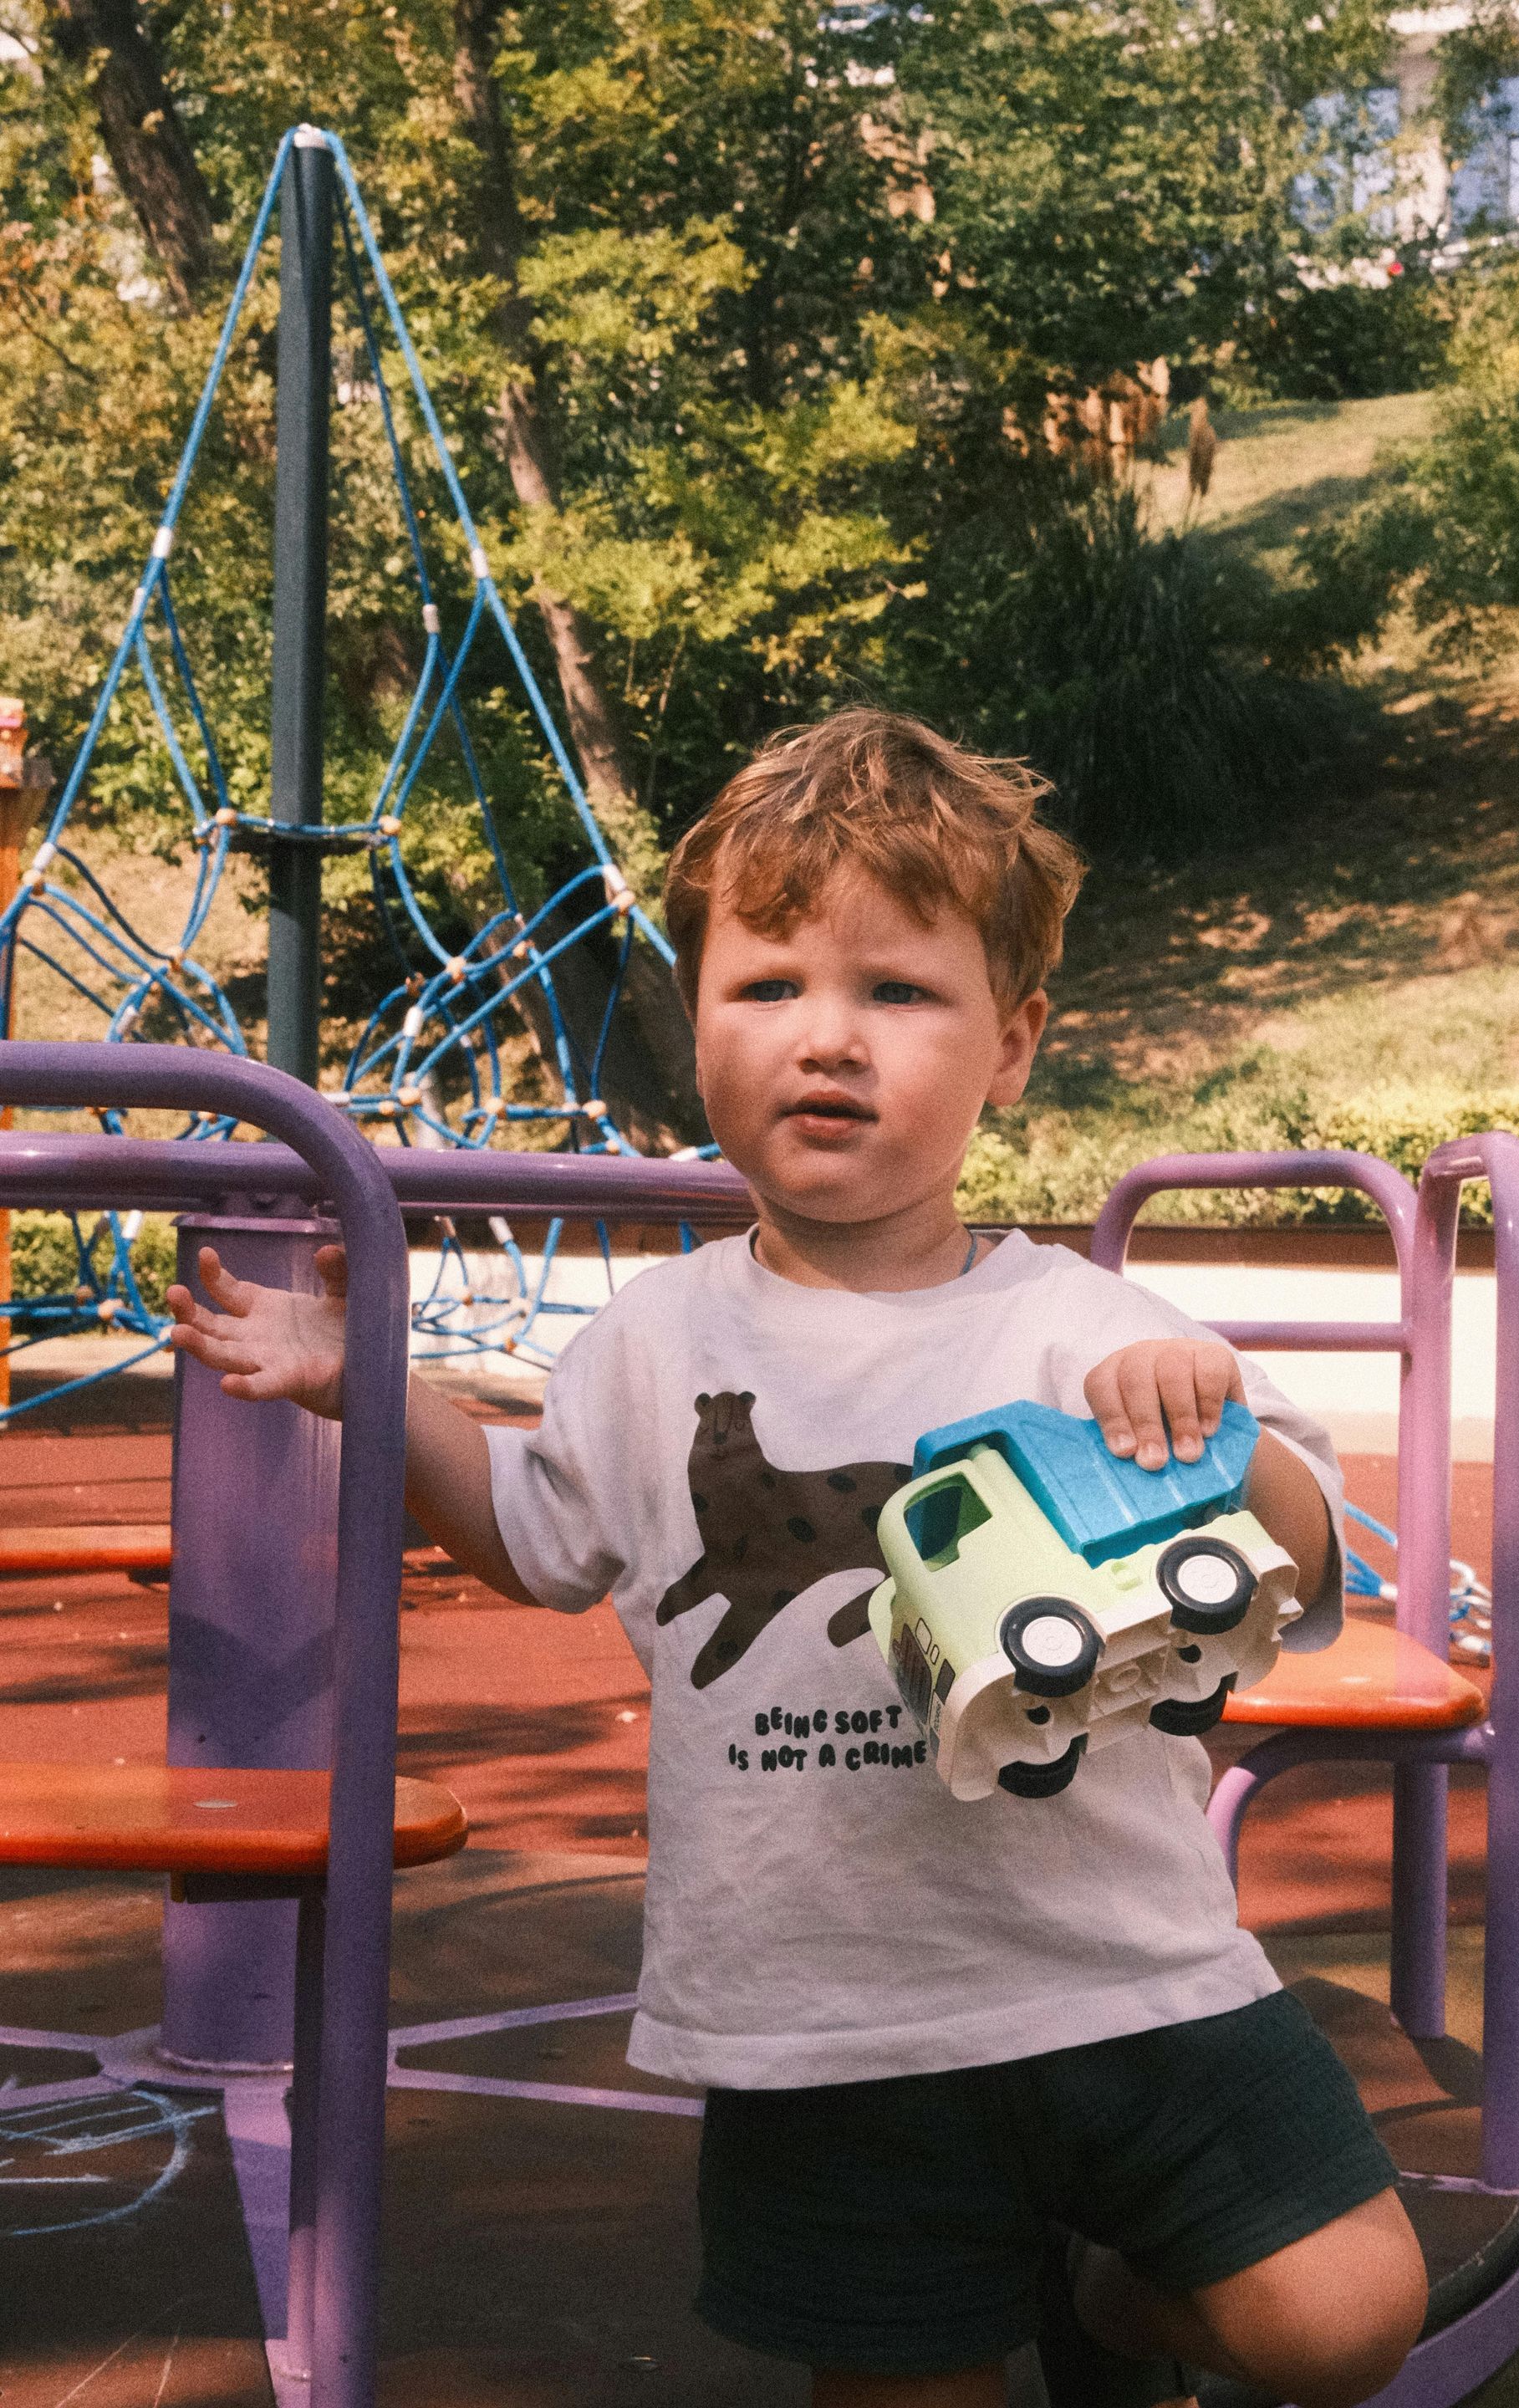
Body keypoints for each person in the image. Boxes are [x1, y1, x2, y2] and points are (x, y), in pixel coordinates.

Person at [168, 710, 1427, 2408]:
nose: (826, 1041)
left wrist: (1210, 1426)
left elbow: (1290, 1547)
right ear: (698, 1020)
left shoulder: (1087, 1326)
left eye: (897, 993)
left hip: (1128, 1977)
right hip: (821, 2019)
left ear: (1014, 1044)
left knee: (1346, 2319)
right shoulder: (651, 1339)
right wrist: (371, 1377)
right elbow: (537, 1537)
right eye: (767, 988)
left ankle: (1118, 2297)